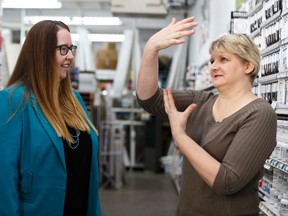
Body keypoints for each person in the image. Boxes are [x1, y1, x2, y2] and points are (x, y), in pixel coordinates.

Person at [136, 17, 277, 215]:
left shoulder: (260, 114)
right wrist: (151, 49)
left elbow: (227, 181)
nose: (213, 66)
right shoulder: (200, 101)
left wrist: (181, 137)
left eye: (223, 59)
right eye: (212, 60)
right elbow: (149, 100)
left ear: (248, 66)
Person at [0, 20, 101, 216]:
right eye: (63, 49)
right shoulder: (13, 101)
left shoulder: (75, 100)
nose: (70, 56)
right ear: (41, 53)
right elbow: (4, 176)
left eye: (71, 48)